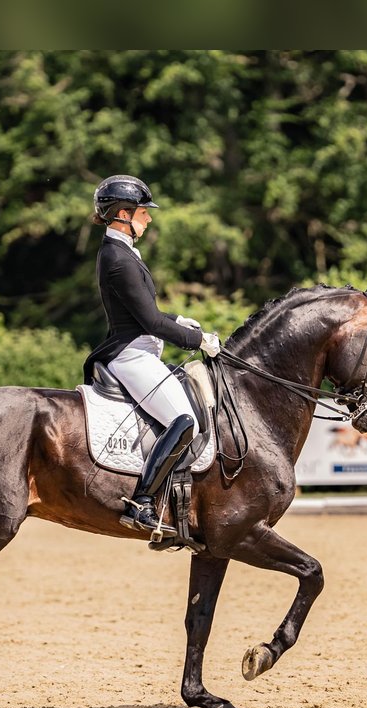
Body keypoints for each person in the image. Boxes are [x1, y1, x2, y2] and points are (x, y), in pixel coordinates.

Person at [82, 174, 221, 535]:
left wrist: (176, 318)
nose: (150, 218)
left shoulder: (123, 251)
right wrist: (196, 339)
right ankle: (142, 502)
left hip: (140, 349)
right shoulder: (117, 258)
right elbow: (149, 322)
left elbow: (144, 312)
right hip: (131, 355)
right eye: (144, 212)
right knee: (184, 420)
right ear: (124, 213)